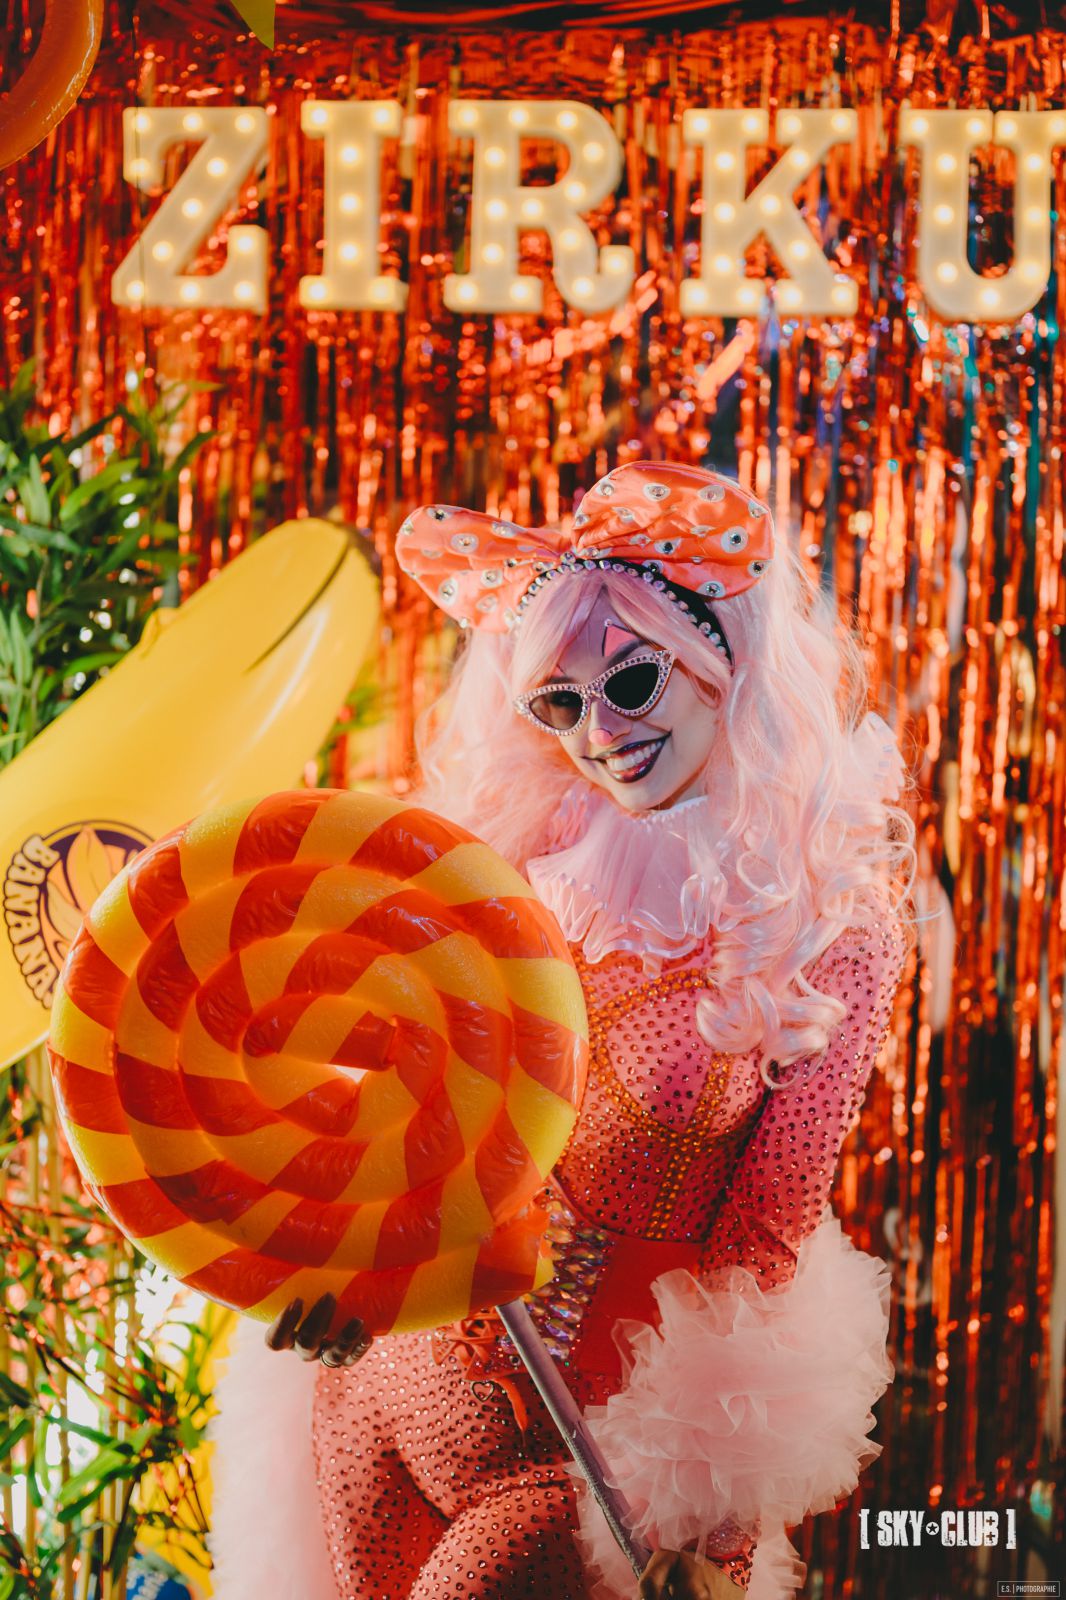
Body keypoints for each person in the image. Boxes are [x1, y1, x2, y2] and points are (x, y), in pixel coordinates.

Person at [207, 461, 915, 1600]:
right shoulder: (512, 868)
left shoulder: (829, 923)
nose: (601, 731)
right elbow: (401, 1114)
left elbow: (762, 1240)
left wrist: (715, 1531)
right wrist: (337, 1267)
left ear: (720, 665)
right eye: (559, 702)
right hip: (375, 1390)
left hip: (572, 1461)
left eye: (632, 681)